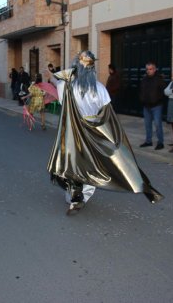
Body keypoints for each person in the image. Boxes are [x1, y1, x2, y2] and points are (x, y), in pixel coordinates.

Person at [47, 50, 163, 215]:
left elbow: (60, 93)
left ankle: (76, 196)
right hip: (94, 132)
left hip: (73, 132)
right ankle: (80, 195)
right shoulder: (99, 88)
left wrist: (51, 76)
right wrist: (111, 136)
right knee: (90, 163)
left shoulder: (67, 86)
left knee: (70, 163)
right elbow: (108, 114)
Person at [139, 61, 167, 150]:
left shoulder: (159, 79)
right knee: (147, 125)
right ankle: (148, 141)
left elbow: (164, 91)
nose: (148, 71)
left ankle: (160, 142)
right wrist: (142, 99)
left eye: (150, 69)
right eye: (147, 69)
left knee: (158, 125)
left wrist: (158, 100)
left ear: (154, 69)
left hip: (156, 106)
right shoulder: (144, 79)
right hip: (146, 106)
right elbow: (140, 91)